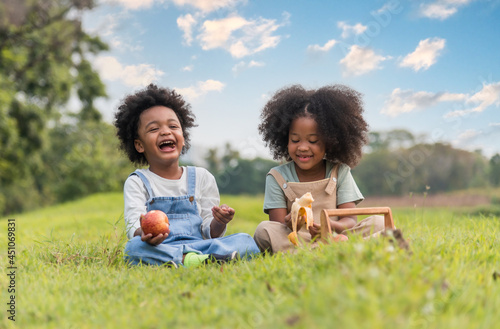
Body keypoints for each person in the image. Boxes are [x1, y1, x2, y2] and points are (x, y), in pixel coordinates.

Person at [114, 84, 260, 267]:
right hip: (162, 247)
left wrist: (218, 221)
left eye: (173, 126)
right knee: (133, 248)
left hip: (201, 245)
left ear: (183, 136)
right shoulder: (138, 182)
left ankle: (190, 260)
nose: (166, 131)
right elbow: (133, 224)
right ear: (139, 145)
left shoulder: (202, 177)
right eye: (153, 129)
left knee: (245, 240)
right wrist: (143, 234)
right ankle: (191, 260)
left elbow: (210, 233)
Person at [253, 84, 385, 253]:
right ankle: (336, 250)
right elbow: (277, 226)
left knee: (379, 222)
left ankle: (323, 249)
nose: (302, 147)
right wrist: (291, 221)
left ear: (330, 141)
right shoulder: (277, 176)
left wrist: (329, 226)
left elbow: (350, 220)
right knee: (264, 230)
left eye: (313, 141)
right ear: (284, 139)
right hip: (298, 239)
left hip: (336, 234)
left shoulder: (340, 172)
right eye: (295, 140)